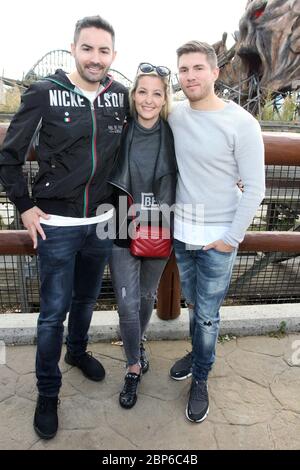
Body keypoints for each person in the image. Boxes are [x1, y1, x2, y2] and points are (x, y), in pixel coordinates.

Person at [0, 15, 128, 439]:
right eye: (88, 48)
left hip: (103, 223)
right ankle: (48, 393)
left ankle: (77, 353)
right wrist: (24, 206)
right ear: (73, 48)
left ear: (113, 54)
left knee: (88, 299)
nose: (96, 58)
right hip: (56, 225)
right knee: (53, 314)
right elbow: (9, 155)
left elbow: (149, 136)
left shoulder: (121, 96)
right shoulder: (44, 93)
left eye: (104, 50)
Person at [168, 41, 265, 423]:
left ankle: (201, 379)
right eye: (183, 70)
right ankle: (197, 353)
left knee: (208, 316)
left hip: (218, 240)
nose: (189, 76)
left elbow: (255, 189)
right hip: (182, 232)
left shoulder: (241, 122)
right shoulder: (173, 116)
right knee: (195, 307)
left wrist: (230, 238)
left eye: (196, 68)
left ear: (215, 72)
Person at [108, 63, 177, 409]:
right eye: (142, 91)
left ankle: (138, 342)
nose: (148, 100)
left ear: (165, 99)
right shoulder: (117, 129)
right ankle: (134, 365)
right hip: (122, 217)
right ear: (133, 95)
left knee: (146, 294)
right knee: (125, 301)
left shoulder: (176, 132)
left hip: (161, 220)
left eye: (157, 93)